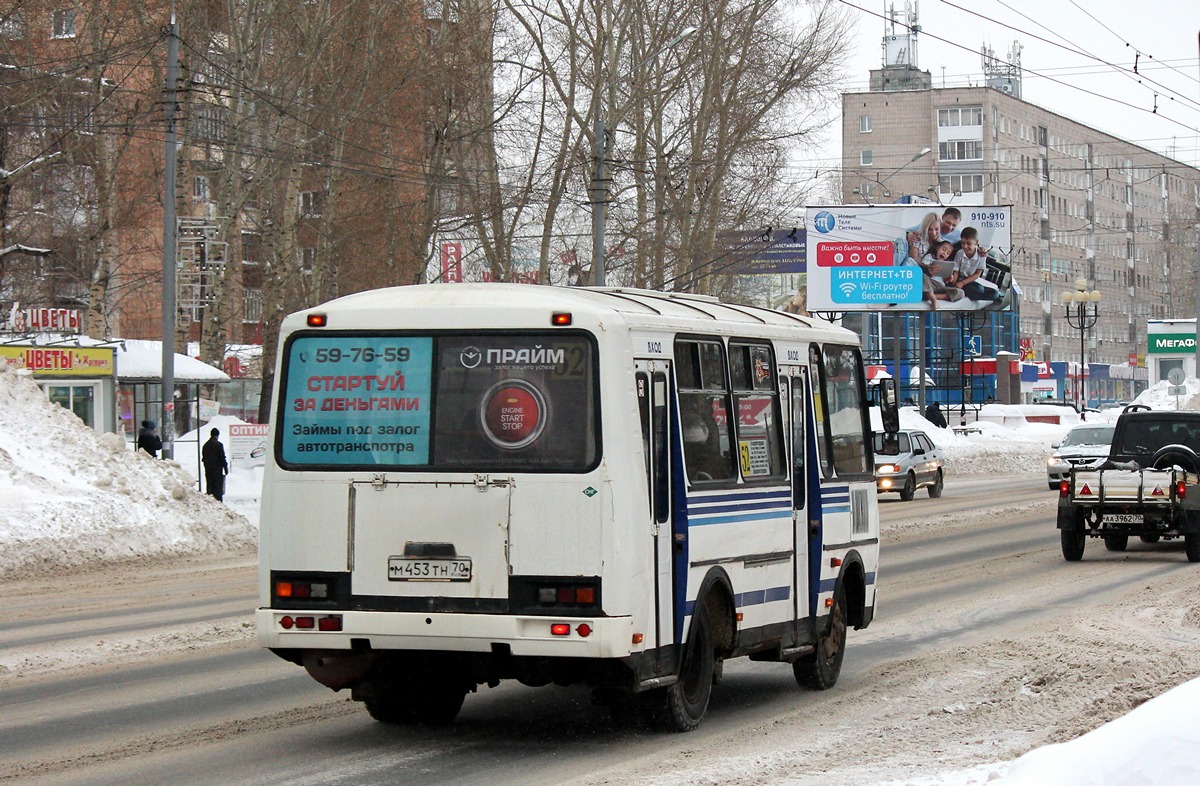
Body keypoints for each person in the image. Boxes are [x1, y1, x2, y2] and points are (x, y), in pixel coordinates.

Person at [950, 227, 1000, 303]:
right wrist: (954, 284)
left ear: (976, 243)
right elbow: (956, 271)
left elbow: (977, 274)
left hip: (969, 281)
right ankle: (967, 293)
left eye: (969, 244)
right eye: (963, 243)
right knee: (978, 289)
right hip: (959, 279)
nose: (965, 246)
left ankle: (972, 294)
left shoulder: (981, 255)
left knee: (995, 293)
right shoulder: (960, 253)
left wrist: (963, 283)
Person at [202, 428, 229, 502]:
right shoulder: (219, 445)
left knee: (210, 487)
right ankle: (218, 503)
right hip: (217, 470)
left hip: (208, 470)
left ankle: (210, 502)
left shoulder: (205, 445)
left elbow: (204, 458)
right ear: (217, 435)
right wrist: (225, 467)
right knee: (217, 489)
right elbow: (222, 457)